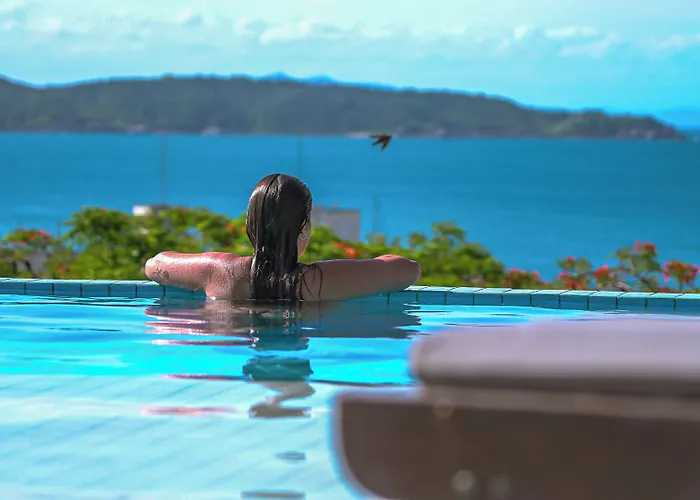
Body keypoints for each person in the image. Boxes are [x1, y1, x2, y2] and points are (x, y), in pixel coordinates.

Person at [144, 173, 421, 301]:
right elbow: (409, 270)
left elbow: (155, 265)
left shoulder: (219, 272)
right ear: (304, 229)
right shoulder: (322, 281)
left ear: (249, 227)